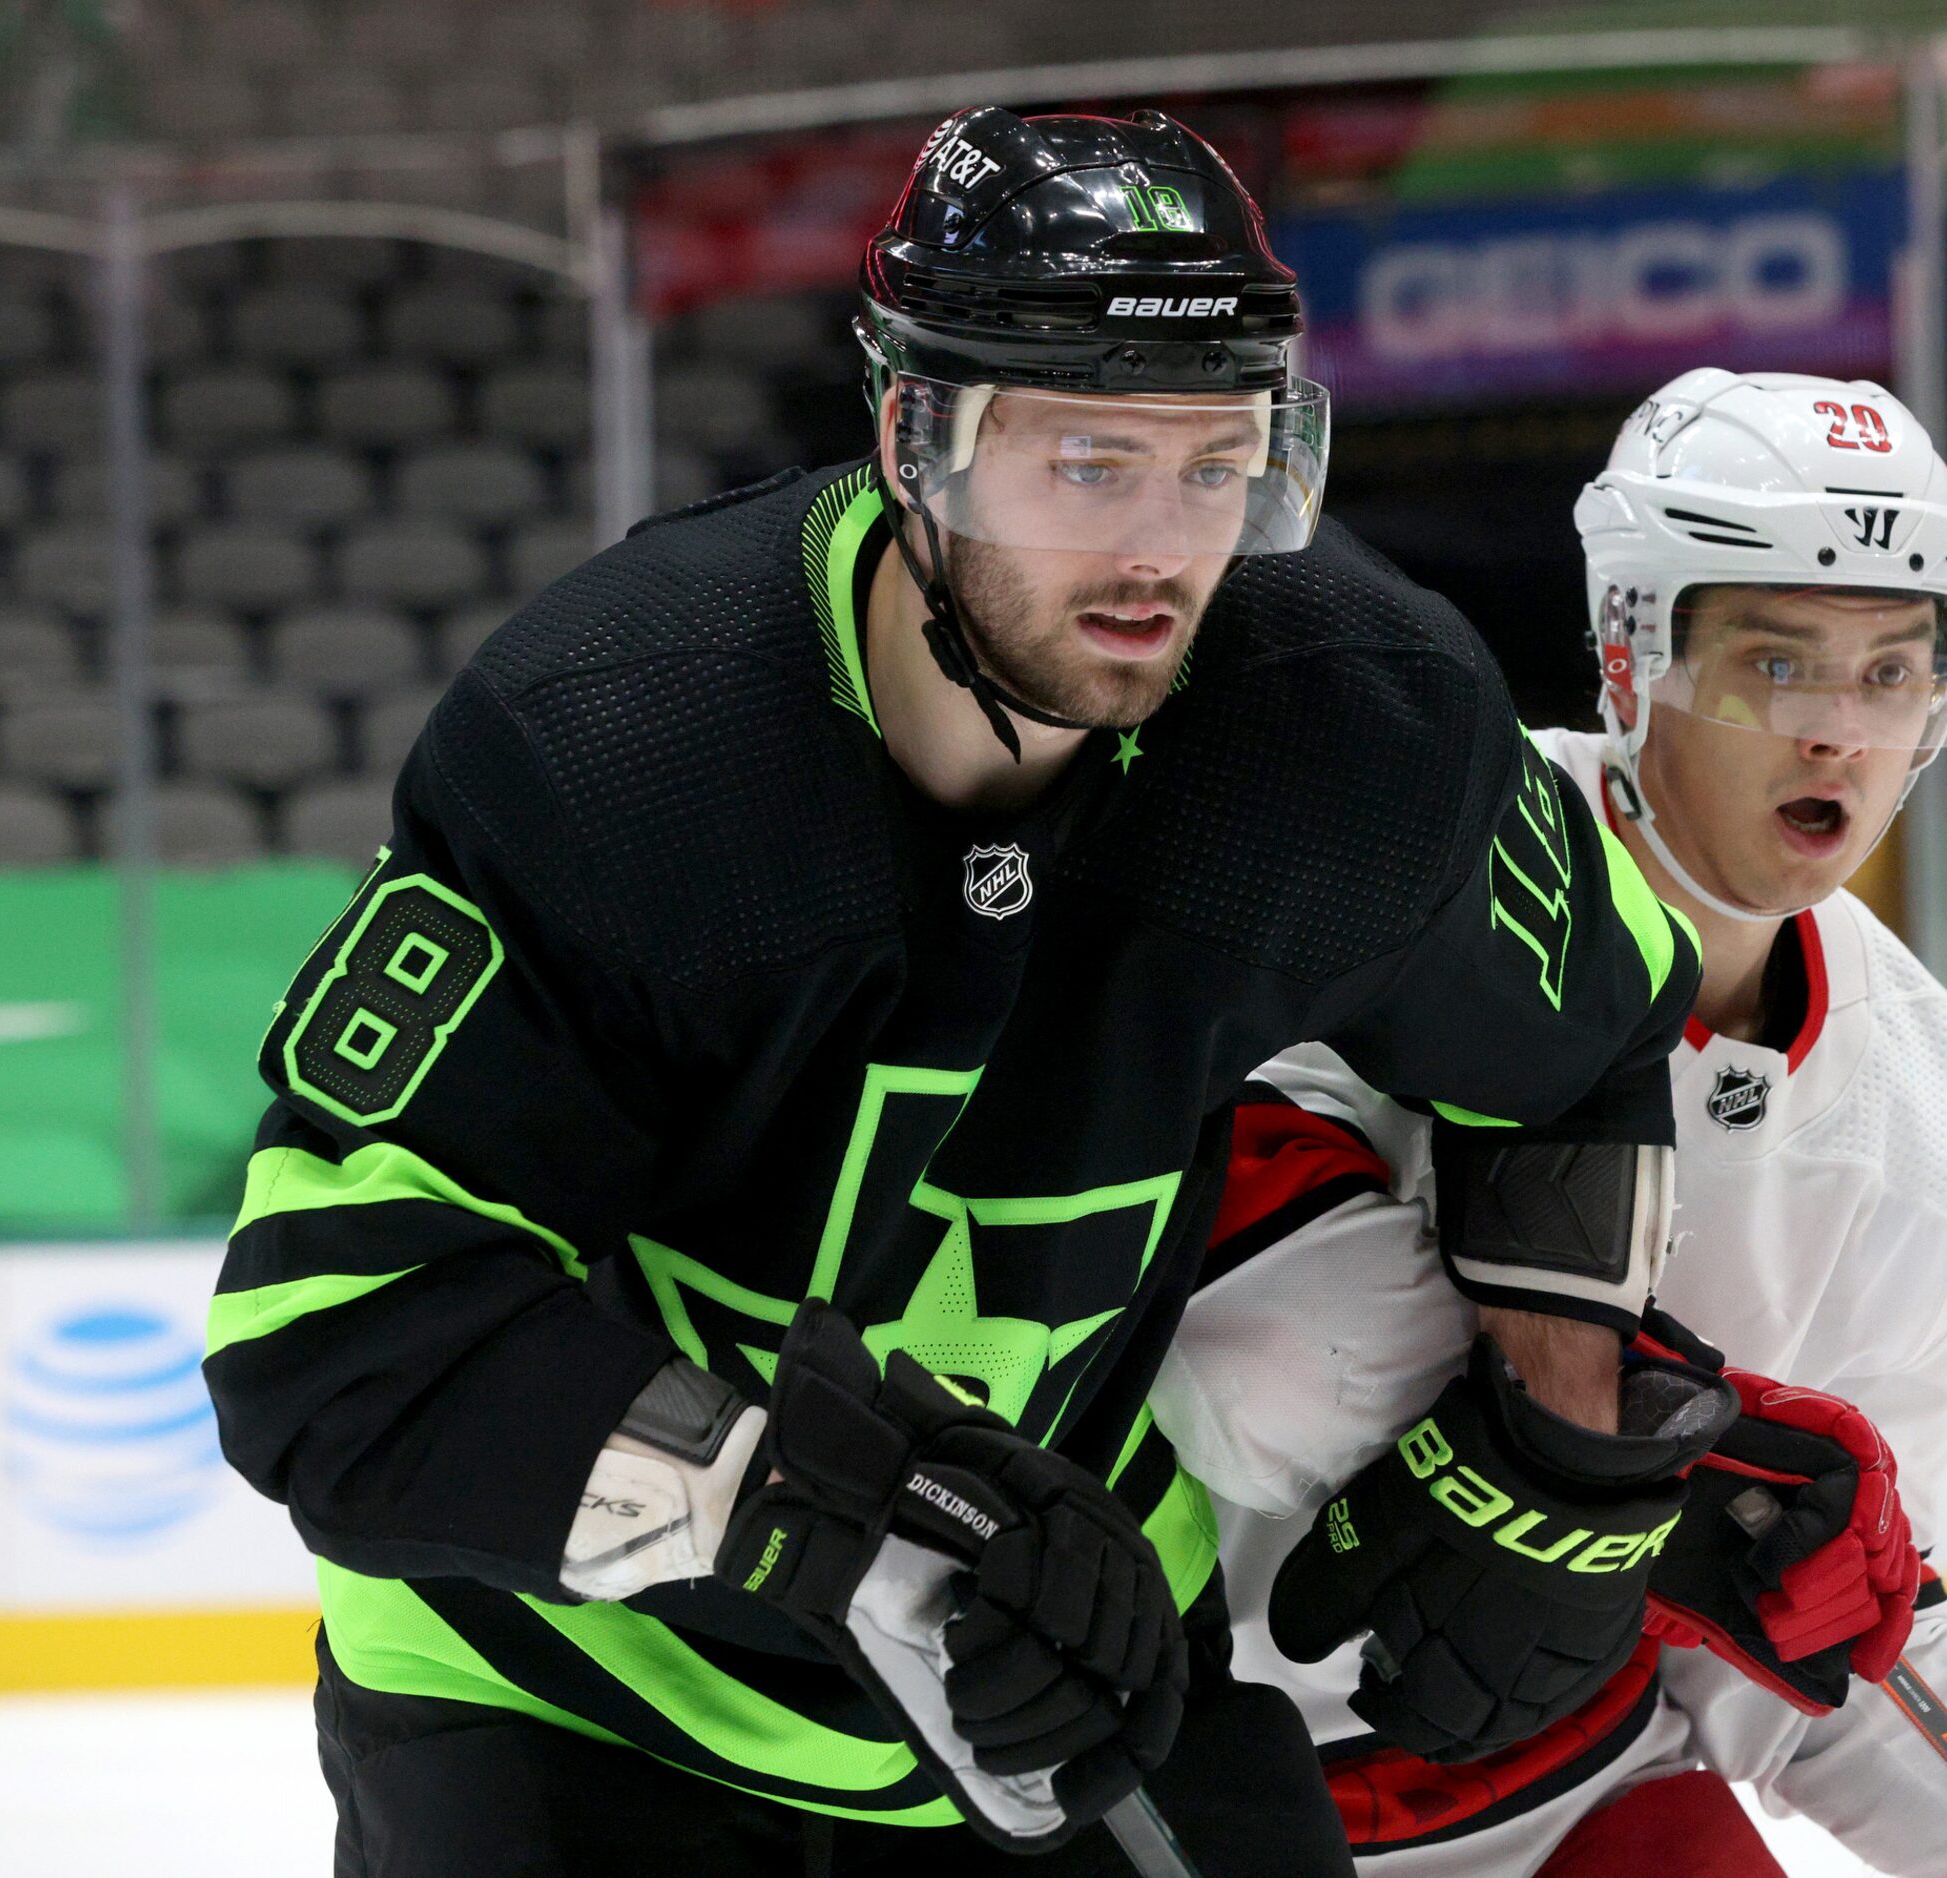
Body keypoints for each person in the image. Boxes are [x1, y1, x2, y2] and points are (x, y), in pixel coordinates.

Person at [204, 106, 1704, 1878]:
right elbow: (328, 1335)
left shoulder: (1356, 724)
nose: (1160, 550)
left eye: (1214, 464)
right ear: (914, 433)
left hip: (1059, 1645)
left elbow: (1586, 1032)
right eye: (1086, 463)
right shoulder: (619, 739)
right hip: (563, 1676)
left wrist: (1558, 1439)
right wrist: (832, 1530)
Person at [1156, 369, 1947, 1878]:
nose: (1841, 736)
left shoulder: (1927, 1110)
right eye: (1779, 665)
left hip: (1564, 1775)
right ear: (1626, 649)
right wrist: (1683, 1474)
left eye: (1893, 672)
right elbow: (1239, 1351)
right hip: (1153, 1733)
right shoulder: (1410, 844)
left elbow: (1805, 1622)